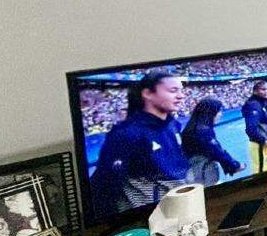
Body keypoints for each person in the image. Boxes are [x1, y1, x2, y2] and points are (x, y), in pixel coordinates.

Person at [92, 71, 190, 213]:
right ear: (147, 94)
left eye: (181, 90)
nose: (181, 96)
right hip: (152, 214)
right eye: (173, 90)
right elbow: (104, 183)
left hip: (180, 205)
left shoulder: (173, 124)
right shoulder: (126, 134)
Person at [181, 98, 244, 186]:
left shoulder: (192, 126)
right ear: (211, 113)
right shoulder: (203, 130)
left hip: (192, 171)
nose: (221, 114)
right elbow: (217, 152)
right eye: (219, 111)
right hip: (201, 173)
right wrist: (235, 165)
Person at [241, 79, 267, 173]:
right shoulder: (253, 105)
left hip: (263, 142)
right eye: (263, 89)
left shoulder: (261, 103)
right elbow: (250, 129)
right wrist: (263, 141)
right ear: (255, 91)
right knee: (261, 171)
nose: (266, 91)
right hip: (259, 144)